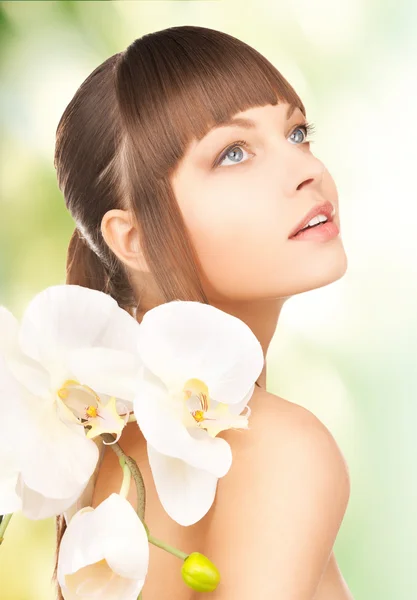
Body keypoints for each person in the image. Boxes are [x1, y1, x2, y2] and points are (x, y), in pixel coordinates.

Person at [52, 24, 353, 599]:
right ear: (132, 238)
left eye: (297, 132)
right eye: (233, 153)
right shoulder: (279, 447)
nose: (305, 170)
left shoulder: (106, 458)